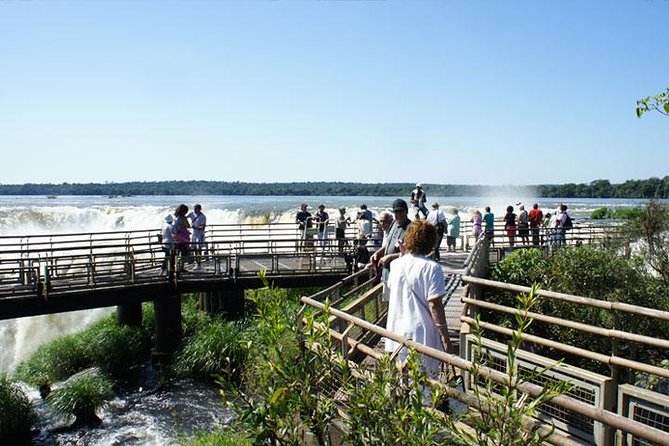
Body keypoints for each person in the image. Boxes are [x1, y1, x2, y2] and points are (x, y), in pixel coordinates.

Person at [384, 219, 452, 382]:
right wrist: (445, 337)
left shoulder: (396, 265)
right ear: (431, 242)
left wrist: (402, 254)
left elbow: (395, 289)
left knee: (401, 380)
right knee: (425, 383)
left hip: (396, 330)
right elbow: (435, 305)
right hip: (422, 334)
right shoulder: (432, 267)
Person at [369, 199, 411, 302]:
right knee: (388, 303)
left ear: (406, 211)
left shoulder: (411, 228)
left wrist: (390, 257)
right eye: (396, 212)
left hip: (400, 275)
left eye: (401, 211)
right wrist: (378, 253)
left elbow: (410, 252)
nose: (398, 215)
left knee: (398, 304)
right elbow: (389, 244)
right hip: (387, 273)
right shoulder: (394, 224)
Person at [173, 204, 191, 272]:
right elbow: (188, 225)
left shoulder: (175, 218)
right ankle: (181, 267)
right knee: (184, 252)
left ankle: (176, 267)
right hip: (183, 237)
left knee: (177, 253)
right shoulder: (183, 218)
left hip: (177, 237)